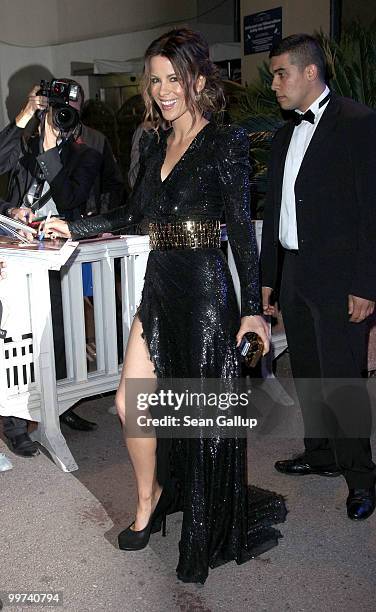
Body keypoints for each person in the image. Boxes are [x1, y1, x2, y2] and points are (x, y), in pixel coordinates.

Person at [44, 28, 286, 584]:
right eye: (155, 80)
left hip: (204, 293)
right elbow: (132, 215)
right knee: (132, 407)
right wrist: (70, 227)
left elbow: (242, 239)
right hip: (159, 285)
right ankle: (148, 497)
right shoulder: (153, 145)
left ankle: (198, 522)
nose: (162, 89)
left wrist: (252, 310)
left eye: (173, 78)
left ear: (198, 80)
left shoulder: (223, 144)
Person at [260, 34, 376, 521]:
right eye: (272, 75)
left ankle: (362, 477)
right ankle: (321, 452)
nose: (274, 85)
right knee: (307, 369)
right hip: (295, 272)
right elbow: (275, 211)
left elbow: (372, 211)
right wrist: (268, 279)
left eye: (280, 73)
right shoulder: (285, 134)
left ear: (310, 72)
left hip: (341, 276)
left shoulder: (358, 123)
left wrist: (367, 284)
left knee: (343, 380)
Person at [0, 79, 101, 453]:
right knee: (19, 339)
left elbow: (72, 198)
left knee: (59, 335)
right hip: (19, 257)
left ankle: (60, 404)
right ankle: (14, 422)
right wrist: (25, 118)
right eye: (55, 112)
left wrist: (50, 151)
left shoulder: (85, 154)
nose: (61, 120)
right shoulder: (23, 146)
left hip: (60, 258)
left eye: (68, 114)